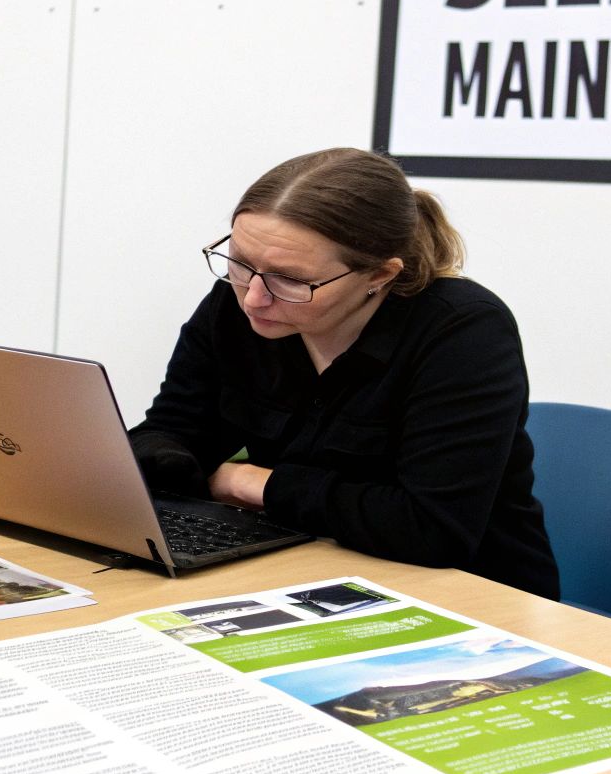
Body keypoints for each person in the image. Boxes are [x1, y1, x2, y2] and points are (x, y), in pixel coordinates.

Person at [129, 148, 559, 598]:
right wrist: (154, 463)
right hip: (309, 566)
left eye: (291, 279)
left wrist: (248, 482)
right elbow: (174, 428)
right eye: (239, 262)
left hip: (469, 592)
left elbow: (431, 527)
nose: (253, 297)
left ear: (380, 275)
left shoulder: (463, 331)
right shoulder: (238, 305)